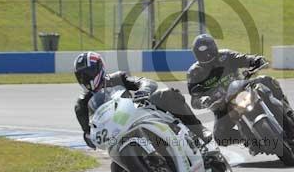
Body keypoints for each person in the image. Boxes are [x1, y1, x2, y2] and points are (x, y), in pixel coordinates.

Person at [187, 34, 294, 146]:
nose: (207, 56)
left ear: (214, 48)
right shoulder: (194, 72)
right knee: (219, 137)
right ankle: (248, 137)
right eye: (203, 53)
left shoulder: (225, 56)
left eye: (209, 52)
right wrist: (203, 100)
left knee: (266, 81)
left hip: (242, 90)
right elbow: (194, 99)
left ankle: (290, 113)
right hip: (222, 106)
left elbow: (243, 58)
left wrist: (255, 60)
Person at [73, 51, 211, 150]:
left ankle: (198, 130)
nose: (85, 78)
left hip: (136, 113)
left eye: (88, 73)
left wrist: (143, 91)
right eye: (81, 75)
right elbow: (88, 133)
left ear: (99, 68)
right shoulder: (82, 104)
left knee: (168, 94)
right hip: (116, 136)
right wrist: (90, 137)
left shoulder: (117, 78)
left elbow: (144, 81)